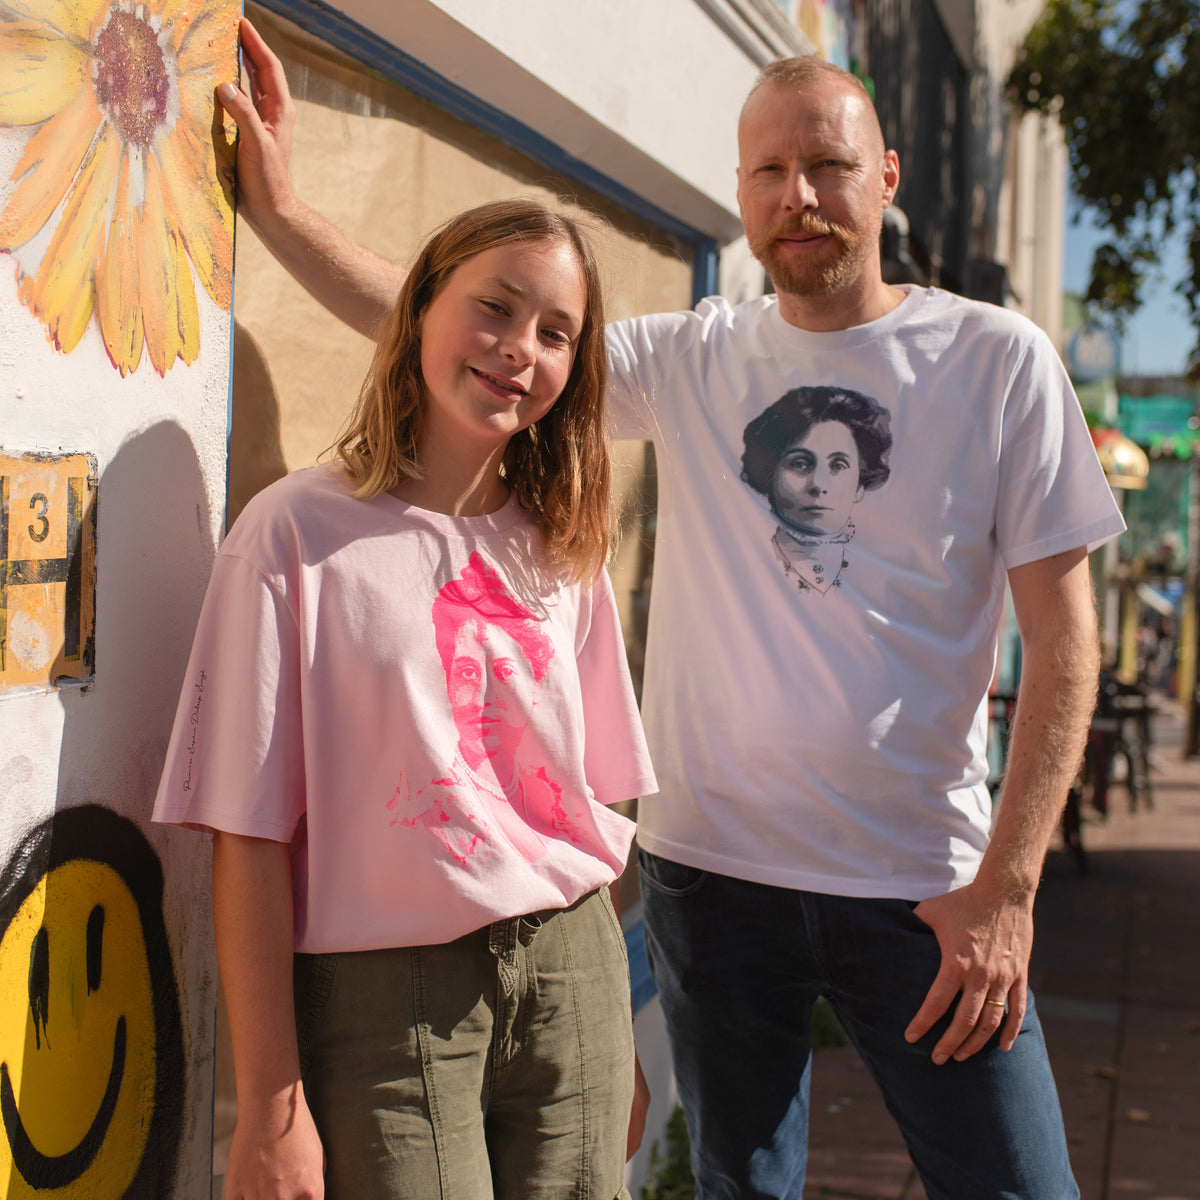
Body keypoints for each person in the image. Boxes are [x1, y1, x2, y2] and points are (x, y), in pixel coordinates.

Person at [216, 24, 1126, 1199]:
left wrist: (1008, 891)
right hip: (714, 881)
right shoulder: (696, 357)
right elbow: (458, 329)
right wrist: (283, 212)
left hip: (925, 890)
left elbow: (1067, 643)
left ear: (885, 178)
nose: (798, 197)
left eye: (828, 167)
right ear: (739, 192)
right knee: (740, 1184)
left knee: (1019, 1185)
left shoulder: (997, 359)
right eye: (767, 173)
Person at [153, 197, 658, 1200]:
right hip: (388, 1004)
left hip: (574, 975)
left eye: (556, 333)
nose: (521, 349)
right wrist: (270, 1107)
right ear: (420, 307)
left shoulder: (565, 545)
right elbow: (245, 838)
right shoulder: (293, 534)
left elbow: (587, 806)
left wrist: (618, 1032)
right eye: (496, 309)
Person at [740, 386, 892, 593]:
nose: (818, 485)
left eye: (838, 465)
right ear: (770, 475)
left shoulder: (881, 575)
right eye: (800, 464)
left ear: (859, 485)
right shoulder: (742, 563)